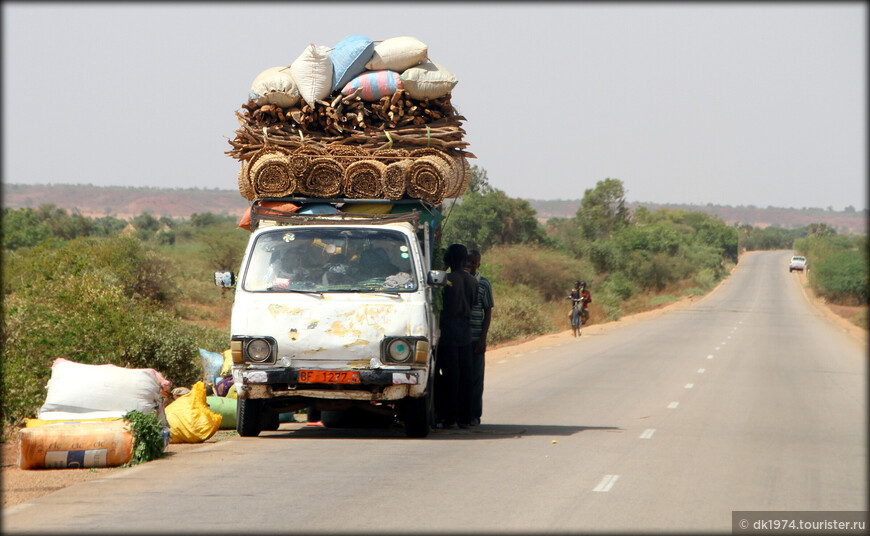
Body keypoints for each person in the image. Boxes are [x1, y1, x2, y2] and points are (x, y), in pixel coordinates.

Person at [435, 243, 478, 429]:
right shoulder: (472, 281)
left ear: (449, 260)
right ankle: (466, 417)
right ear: (464, 260)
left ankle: (450, 418)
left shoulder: (447, 279)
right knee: (466, 376)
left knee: (450, 376)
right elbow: (474, 303)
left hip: (449, 333)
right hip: (465, 332)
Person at [465, 249, 493, 426]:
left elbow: (488, 311)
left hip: (476, 339)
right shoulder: (455, 280)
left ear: (478, 264)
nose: (470, 265)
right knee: (462, 379)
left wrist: (483, 338)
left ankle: (475, 415)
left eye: (474, 263)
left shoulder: (484, 284)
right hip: (460, 339)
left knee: (476, 379)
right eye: (467, 262)